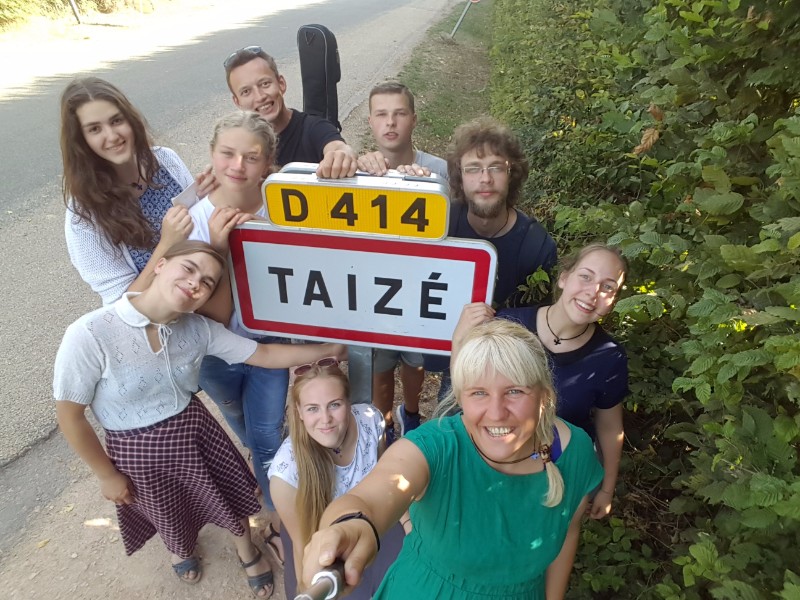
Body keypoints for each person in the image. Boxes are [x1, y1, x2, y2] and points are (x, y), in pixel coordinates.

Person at [54, 240, 345, 598]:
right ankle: (180, 547)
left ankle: (246, 549)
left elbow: (264, 353)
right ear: (160, 264)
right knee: (166, 507)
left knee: (225, 494)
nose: (195, 283)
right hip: (135, 451)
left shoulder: (197, 329)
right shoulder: (91, 332)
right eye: (189, 269)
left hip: (194, 431)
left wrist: (329, 350)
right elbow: (70, 415)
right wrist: (106, 474)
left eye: (207, 282)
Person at [300, 319, 603, 600]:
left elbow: (568, 532)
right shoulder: (436, 446)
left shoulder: (574, 453)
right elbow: (374, 494)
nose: (496, 413)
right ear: (460, 398)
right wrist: (351, 525)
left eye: (514, 391)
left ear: (544, 397)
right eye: (479, 393)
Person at [187, 110, 289, 562]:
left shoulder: (284, 207)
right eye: (227, 153)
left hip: (271, 345)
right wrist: (219, 248)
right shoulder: (193, 220)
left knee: (267, 433)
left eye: (252, 156)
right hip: (214, 353)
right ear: (212, 154)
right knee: (241, 421)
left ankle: (276, 515)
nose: (238, 166)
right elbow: (215, 315)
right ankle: (258, 464)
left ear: (267, 163)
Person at [491, 242, 627, 519]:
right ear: (564, 277)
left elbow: (610, 426)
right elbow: (470, 397)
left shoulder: (609, 356)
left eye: (608, 287)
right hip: (494, 464)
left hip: (558, 475)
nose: (593, 292)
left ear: (613, 300)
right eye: (586, 277)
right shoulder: (508, 326)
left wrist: (606, 489)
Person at [425, 117, 559, 398]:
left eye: (496, 167)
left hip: (503, 370)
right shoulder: (439, 223)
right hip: (446, 356)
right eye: (473, 168)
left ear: (512, 173)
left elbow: (534, 334)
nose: (485, 179)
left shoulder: (536, 247)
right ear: (459, 176)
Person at [60, 77, 215, 305]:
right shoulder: (83, 215)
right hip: (156, 321)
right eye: (95, 129)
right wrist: (167, 244)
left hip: (205, 297)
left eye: (116, 121)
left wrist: (205, 197)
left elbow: (198, 232)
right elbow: (123, 307)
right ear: (81, 141)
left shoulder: (165, 160)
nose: (112, 136)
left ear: (130, 119)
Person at [357, 82, 449, 443]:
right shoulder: (358, 173)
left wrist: (425, 187)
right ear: (370, 121)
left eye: (399, 113)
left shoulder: (439, 170)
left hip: (420, 290)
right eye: (381, 114)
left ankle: (410, 414)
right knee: (380, 366)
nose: (390, 122)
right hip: (375, 292)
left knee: (415, 361)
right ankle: (384, 427)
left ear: (413, 119)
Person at [268, 360, 405, 598]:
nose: (325, 419)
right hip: (320, 539)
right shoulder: (285, 477)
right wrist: (306, 588)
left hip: (372, 519)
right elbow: (303, 548)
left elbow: (385, 478)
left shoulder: (371, 420)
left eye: (334, 405)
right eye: (312, 408)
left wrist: (408, 522)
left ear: (348, 403)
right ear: (299, 412)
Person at [223, 45, 358, 178]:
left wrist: (340, 155)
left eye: (265, 84)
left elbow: (337, 146)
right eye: (246, 92)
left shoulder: (314, 128)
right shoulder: (238, 146)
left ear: (281, 84)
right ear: (237, 102)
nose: (259, 97)